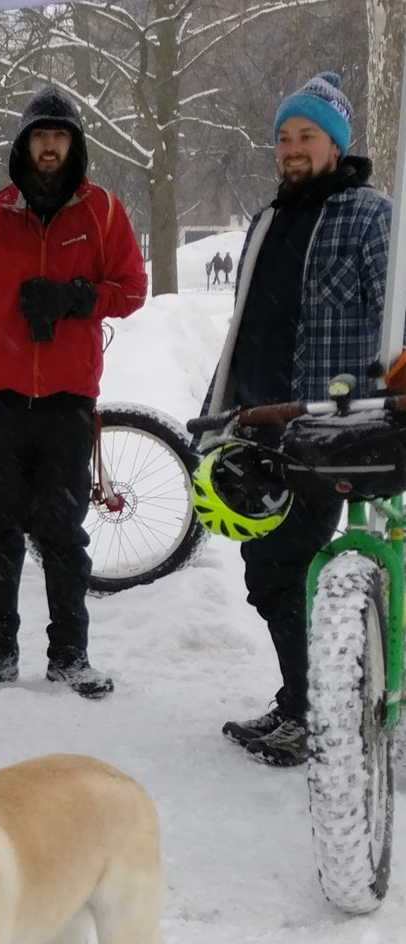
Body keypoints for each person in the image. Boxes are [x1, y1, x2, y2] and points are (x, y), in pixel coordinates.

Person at [200, 72, 391, 766]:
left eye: (307, 136)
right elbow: (246, 326)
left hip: (335, 427)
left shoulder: (371, 215)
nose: (292, 148)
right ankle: (309, 702)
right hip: (262, 424)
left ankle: (318, 712)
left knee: (283, 563)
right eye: (284, 137)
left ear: (335, 144)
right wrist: (219, 412)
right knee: (268, 564)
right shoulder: (269, 220)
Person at [0, 86, 147, 700]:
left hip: (66, 401)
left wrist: (79, 296)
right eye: (40, 135)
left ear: (74, 144)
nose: (49, 145)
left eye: (59, 135)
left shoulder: (103, 213)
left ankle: (69, 656)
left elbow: (132, 289)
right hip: (5, 399)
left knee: (63, 534)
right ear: (25, 144)